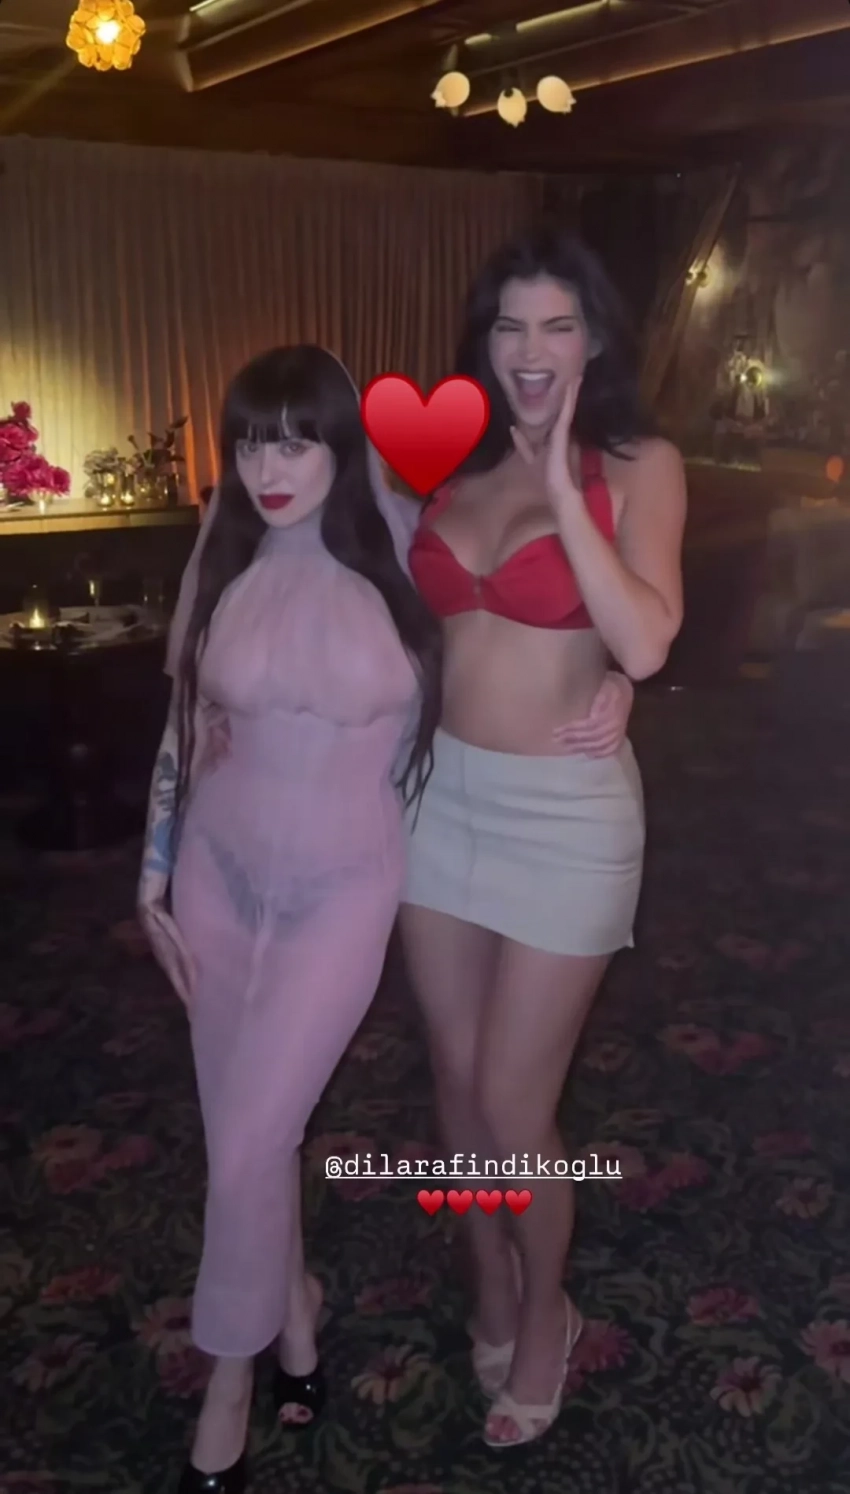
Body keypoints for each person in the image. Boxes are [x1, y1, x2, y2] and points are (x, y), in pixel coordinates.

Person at [136, 344, 442, 1494]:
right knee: (248, 1131)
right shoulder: (223, 552)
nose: (269, 468)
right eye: (251, 442)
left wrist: (606, 684)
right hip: (216, 876)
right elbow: (183, 725)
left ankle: (229, 1370)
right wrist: (150, 880)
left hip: (341, 888)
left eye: (296, 442)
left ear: (341, 448)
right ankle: (297, 1317)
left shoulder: (406, 549)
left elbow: (517, 651)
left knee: (252, 1136)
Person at [401, 226, 686, 1449]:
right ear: (485, 340)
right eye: (510, 324)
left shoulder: (637, 463)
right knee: (455, 1081)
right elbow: (409, 629)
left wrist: (565, 494)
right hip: (436, 801)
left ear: (594, 339)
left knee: (515, 1101)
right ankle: (487, 1283)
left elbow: (646, 641)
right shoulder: (445, 464)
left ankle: (542, 1316)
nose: (531, 349)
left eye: (557, 324)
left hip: (564, 816)